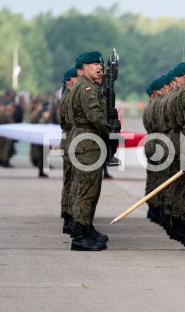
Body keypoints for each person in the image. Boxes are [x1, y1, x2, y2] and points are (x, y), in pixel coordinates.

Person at [67, 51, 112, 251]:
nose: (99, 68)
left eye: (100, 65)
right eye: (94, 64)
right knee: (86, 190)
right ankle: (80, 235)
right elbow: (95, 117)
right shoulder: (86, 88)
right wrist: (111, 131)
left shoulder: (87, 86)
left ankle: (86, 229)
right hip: (88, 142)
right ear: (83, 67)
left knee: (89, 188)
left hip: (87, 141)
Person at [59, 67, 78, 233]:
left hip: (69, 140)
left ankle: (68, 214)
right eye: (75, 78)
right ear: (68, 81)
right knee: (71, 181)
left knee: (70, 181)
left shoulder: (67, 96)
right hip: (71, 140)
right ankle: (69, 216)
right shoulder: (68, 97)